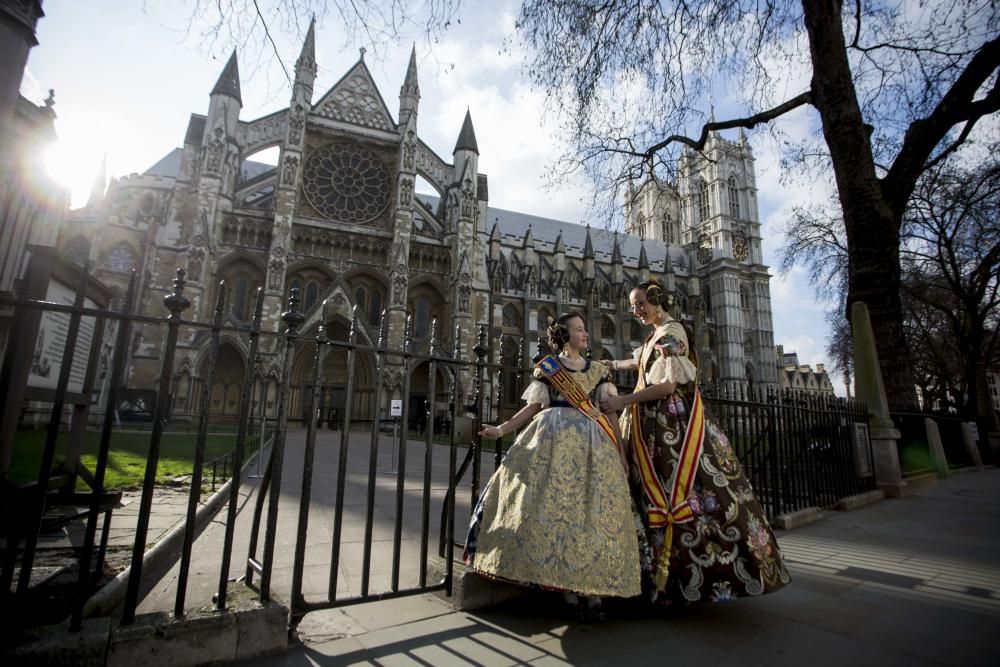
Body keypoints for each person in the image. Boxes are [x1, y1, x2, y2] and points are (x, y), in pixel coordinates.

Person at [599, 280, 790, 604]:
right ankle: (659, 576)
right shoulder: (658, 334)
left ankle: (694, 577)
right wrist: (613, 364)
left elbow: (667, 385)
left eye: (640, 303)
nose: (635, 311)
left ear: (657, 301)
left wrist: (624, 401)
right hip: (654, 427)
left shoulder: (673, 332)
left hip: (674, 429)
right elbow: (644, 361)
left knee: (689, 493)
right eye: (632, 306)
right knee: (651, 492)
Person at [466, 311, 641, 619]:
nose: (585, 334)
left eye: (586, 329)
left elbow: (609, 413)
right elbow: (532, 409)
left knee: (590, 516)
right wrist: (500, 430)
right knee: (558, 517)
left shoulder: (599, 369)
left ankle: (592, 591)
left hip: (593, 448)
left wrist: (623, 454)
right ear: (564, 335)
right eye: (579, 329)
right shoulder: (548, 368)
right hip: (551, 443)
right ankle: (568, 591)